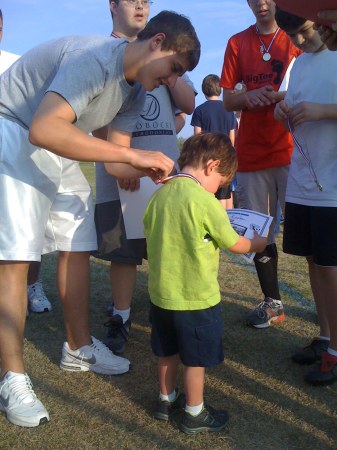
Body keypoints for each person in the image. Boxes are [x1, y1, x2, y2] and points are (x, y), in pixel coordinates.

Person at [0, 10, 201, 428]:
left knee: (79, 241)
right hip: (14, 127)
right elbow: (43, 129)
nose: (172, 81)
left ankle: (78, 348)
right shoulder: (94, 58)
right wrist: (133, 156)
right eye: (174, 69)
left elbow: (115, 165)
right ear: (156, 42)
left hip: (54, 138)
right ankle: (12, 377)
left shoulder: (136, 93)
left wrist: (160, 173)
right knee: (17, 258)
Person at [143, 132, 266, 434]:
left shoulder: (160, 194)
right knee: (195, 359)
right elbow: (234, 243)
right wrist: (257, 244)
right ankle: (194, 412)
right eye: (222, 181)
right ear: (212, 166)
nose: (220, 188)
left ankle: (165, 400)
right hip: (196, 299)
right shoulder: (205, 201)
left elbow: (148, 227)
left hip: (161, 295)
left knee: (166, 352)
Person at [93, 0, 197, 355]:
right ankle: (121, 317)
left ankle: (169, 314)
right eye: (131, 0)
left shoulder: (169, 57)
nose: (139, 6)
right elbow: (97, 117)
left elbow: (188, 104)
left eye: (146, 1)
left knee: (168, 248)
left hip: (160, 173)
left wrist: (171, 74)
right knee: (123, 253)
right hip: (118, 172)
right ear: (112, 6)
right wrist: (121, 163)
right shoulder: (104, 53)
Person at [220, 0, 301, 329]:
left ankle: (328, 304)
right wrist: (248, 97)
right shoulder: (237, 43)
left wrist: (278, 97)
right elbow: (228, 99)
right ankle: (273, 303)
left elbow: (308, 87)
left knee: (313, 232)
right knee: (260, 235)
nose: (261, 3)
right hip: (252, 155)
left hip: (294, 151)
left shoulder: (296, 37)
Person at [274, 8, 337, 386]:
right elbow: (290, 105)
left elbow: (320, 109)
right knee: (315, 262)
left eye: (305, 32)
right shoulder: (298, 65)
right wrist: (284, 110)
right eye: (293, 36)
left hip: (333, 184)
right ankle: (327, 338)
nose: (299, 42)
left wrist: (323, 111)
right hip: (303, 180)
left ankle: (336, 352)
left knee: (331, 268)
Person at [191, 74, 236, 209]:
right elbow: (232, 137)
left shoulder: (199, 110)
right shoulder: (229, 110)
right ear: (220, 89)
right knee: (226, 194)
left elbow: (197, 137)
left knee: (211, 194)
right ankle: (229, 222)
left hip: (207, 158)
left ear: (204, 90)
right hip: (225, 156)